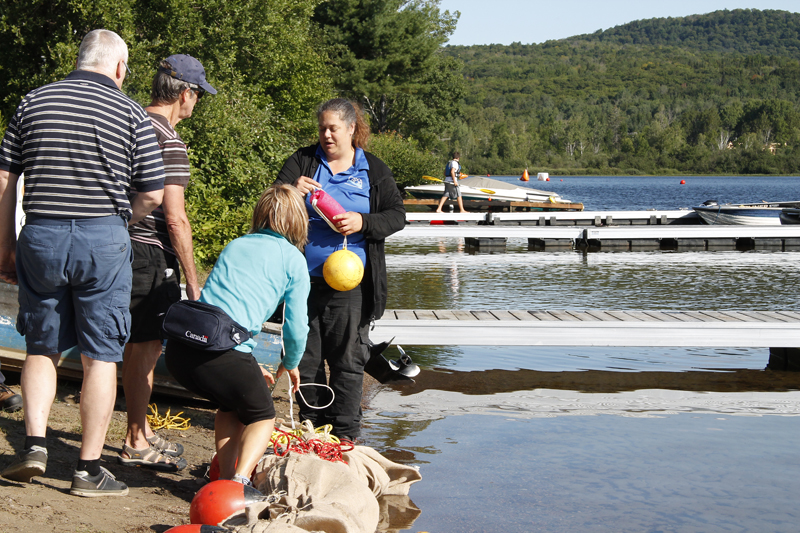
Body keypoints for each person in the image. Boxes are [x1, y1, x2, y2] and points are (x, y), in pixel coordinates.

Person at [0, 29, 165, 497]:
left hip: (41, 234)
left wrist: (5, 246)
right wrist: (116, 220)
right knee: (102, 355)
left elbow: (5, 182)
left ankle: (33, 445)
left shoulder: (33, 102)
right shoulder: (132, 113)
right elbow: (152, 193)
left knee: (41, 346)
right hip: (103, 238)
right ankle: (88, 471)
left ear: (79, 59)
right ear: (119, 68)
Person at [275, 98, 405, 442]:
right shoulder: (303, 161)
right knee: (307, 358)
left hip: (352, 286)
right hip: (303, 281)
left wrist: (363, 221)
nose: (327, 135)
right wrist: (288, 191)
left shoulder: (373, 169)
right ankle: (311, 429)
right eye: (322, 128)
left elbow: (396, 215)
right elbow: (271, 206)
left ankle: (346, 435)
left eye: (333, 128)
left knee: (349, 361)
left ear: (351, 128)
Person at [164, 184, 310, 486]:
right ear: (299, 221)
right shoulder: (294, 260)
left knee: (230, 404)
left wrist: (247, 364)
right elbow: (296, 327)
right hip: (222, 355)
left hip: (181, 351)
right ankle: (238, 484)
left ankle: (224, 479)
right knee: (263, 415)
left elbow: (224, 309)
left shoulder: (237, 243)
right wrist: (292, 361)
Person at [119, 54, 216, 473]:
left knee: (123, 346)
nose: (196, 104)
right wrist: (193, 284)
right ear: (185, 93)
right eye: (197, 95)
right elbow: (174, 218)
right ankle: (135, 441)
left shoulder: (128, 122)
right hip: (147, 255)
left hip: (114, 247)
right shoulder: (169, 140)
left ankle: (140, 428)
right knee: (143, 350)